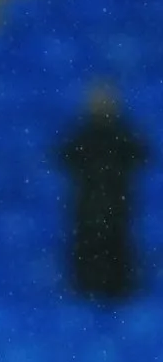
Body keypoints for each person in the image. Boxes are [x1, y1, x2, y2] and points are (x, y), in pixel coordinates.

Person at [59, 81, 148, 300]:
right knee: (88, 256)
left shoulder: (122, 135)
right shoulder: (84, 135)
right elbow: (65, 157)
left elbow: (141, 155)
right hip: (89, 212)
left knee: (116, 254)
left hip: (115, 211)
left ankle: (116, 294)